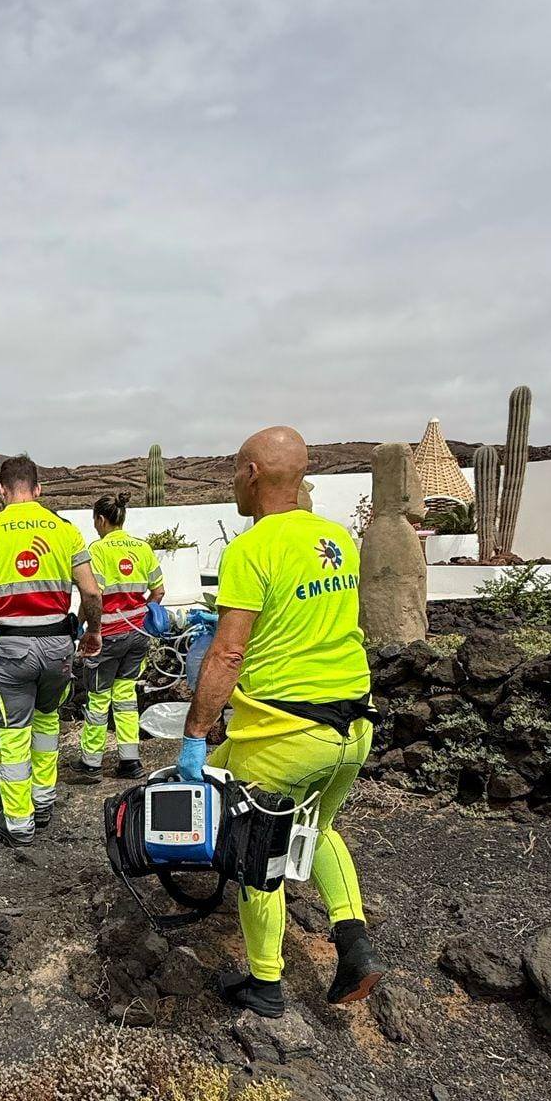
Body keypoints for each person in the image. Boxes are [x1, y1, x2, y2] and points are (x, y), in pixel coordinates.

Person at [178, 426, 385, 1018]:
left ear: (250, 475)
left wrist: (195, 734)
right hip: (352, 727)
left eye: (233, 472)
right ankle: (354, 944)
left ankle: (265, 984)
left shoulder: (250, 549)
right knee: (316, 827)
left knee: (257, 852)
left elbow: (227, 654)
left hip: (283, 735)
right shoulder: (337, 538)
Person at [0, 455, 103, 846]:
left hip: (11, 648)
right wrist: (93, 631)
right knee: (47, 723)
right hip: (57, 645)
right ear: (38, 489)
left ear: (1, 490)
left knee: (13, 734)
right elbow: (92, 592)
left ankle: (18, 821)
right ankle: (43, 802)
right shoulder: (64, 530)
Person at [78, 493, 164, 780]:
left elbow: (93, 595)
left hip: (108, 636)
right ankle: (130, 761)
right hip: (137, 636)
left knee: (98, 699)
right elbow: (159, 591)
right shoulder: (143, 548)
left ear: (101, 519)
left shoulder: (98, 550)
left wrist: (83, 626)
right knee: (126, 697)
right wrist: (143, 615)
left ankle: (91, 763)